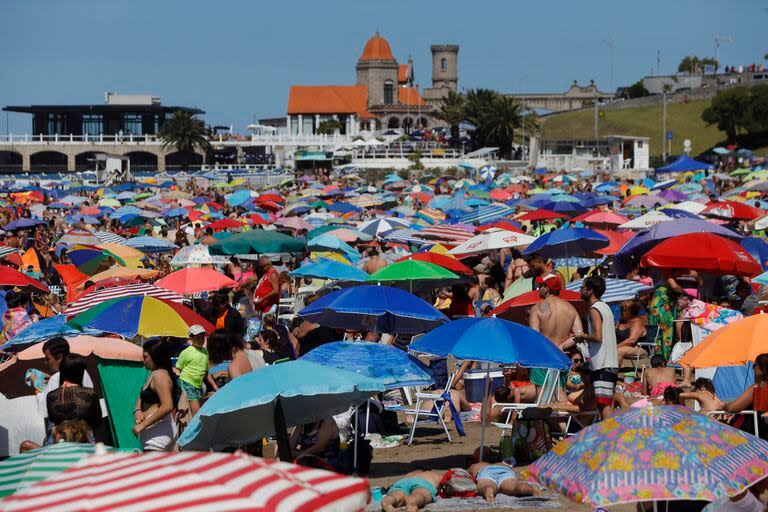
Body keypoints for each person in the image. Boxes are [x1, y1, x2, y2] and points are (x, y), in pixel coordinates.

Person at [575, 276, 619, 419]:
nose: (580, 290)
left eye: (583, 288)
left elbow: (598, 337)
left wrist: (582, 337)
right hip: (609, 362)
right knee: (606, 404)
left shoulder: (594, 309)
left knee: (604, 406)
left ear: (590, 291)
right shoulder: (605, 307)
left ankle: (611, 439)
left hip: (602, 365)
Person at [133, 339, 177, 451]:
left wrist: (142, 425)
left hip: (158, 434)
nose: (143, 361)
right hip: (156, 433)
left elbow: (167, 405)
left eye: (146, 357)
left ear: (155, 356)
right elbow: (142, 394)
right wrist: (137, 409)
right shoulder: (154, 374)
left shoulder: (159, 375)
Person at [35, 337, 94, 421]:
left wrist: (38, 392)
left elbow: (45, 410)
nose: (46, 362)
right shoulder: (83, 372)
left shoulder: (56, 378)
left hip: (65, 430)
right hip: (85, 429)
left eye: (48, 358)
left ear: (59, 357)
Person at [724, 353, 768, 439]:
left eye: (754, 366)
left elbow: (732, 408)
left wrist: (723, 406)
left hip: (754, 434)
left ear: (759, 369)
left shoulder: (758, 387)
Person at [175, 325, 209, 417]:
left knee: (198, 408)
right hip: (188, 382)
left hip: (198, 384)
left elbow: (205, 368)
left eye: (202, 338)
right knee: (196, 412)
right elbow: (177, 368)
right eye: (198, 338)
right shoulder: (186, 352)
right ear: (191, 338)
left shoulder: (205, 351)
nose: (201, 340)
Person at [468, 462, 538, 502]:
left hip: (486, 471)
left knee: (486, 485)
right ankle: (529, 489)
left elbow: (468, 476)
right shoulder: (501, 463)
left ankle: (488, 490)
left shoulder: (476, 465)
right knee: (515, 485)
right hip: (504, 470)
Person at [615, 300, 648, 365]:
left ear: (630, 311)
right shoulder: (621, 322)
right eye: (621, 309)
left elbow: (632, 340)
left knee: (618, 351)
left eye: (623, 310)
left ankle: (611, 373)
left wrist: (615, 347)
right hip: (622, 346)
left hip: (639, 348)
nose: (621, 312)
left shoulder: (636, 322)